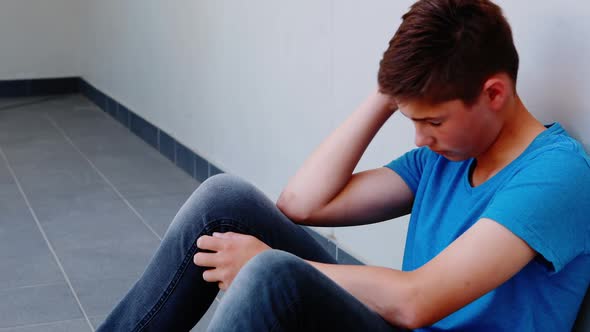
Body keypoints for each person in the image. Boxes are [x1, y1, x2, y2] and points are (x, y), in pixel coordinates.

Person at [97, 0, 590, 331]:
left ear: (495, 93)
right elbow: (303, 203)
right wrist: (389, 90)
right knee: (223, 200)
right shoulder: (444, 157)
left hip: (409, 315)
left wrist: (264, 262)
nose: (420, 138)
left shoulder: (556, 176)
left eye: (433, 120)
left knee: (271, 274)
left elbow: (418, 299)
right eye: (409, 117)